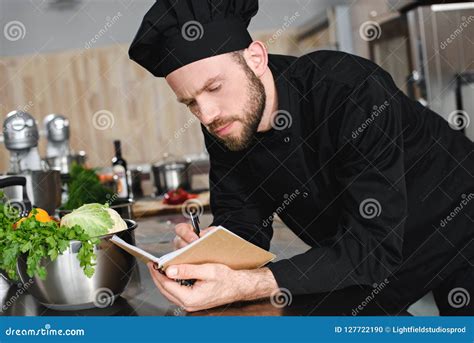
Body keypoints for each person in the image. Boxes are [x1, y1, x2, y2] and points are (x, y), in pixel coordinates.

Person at [129, 0, 474, 314]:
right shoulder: (224, 123)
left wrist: (249, 282)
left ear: (256, 58)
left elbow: (372, 246)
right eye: (190, 102)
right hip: (362, 257)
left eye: (214, 87)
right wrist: (212, 253)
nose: (206, 114)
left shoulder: (350, 91)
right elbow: (243, 221)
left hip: (458, 223)